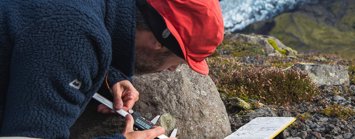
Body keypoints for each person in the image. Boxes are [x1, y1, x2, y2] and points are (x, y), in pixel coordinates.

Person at [0, 0, 224, 138]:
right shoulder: (75, 34)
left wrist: (106, 73)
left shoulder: (88, 14)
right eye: (179, 61)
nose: (172, 70)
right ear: (159, 42)